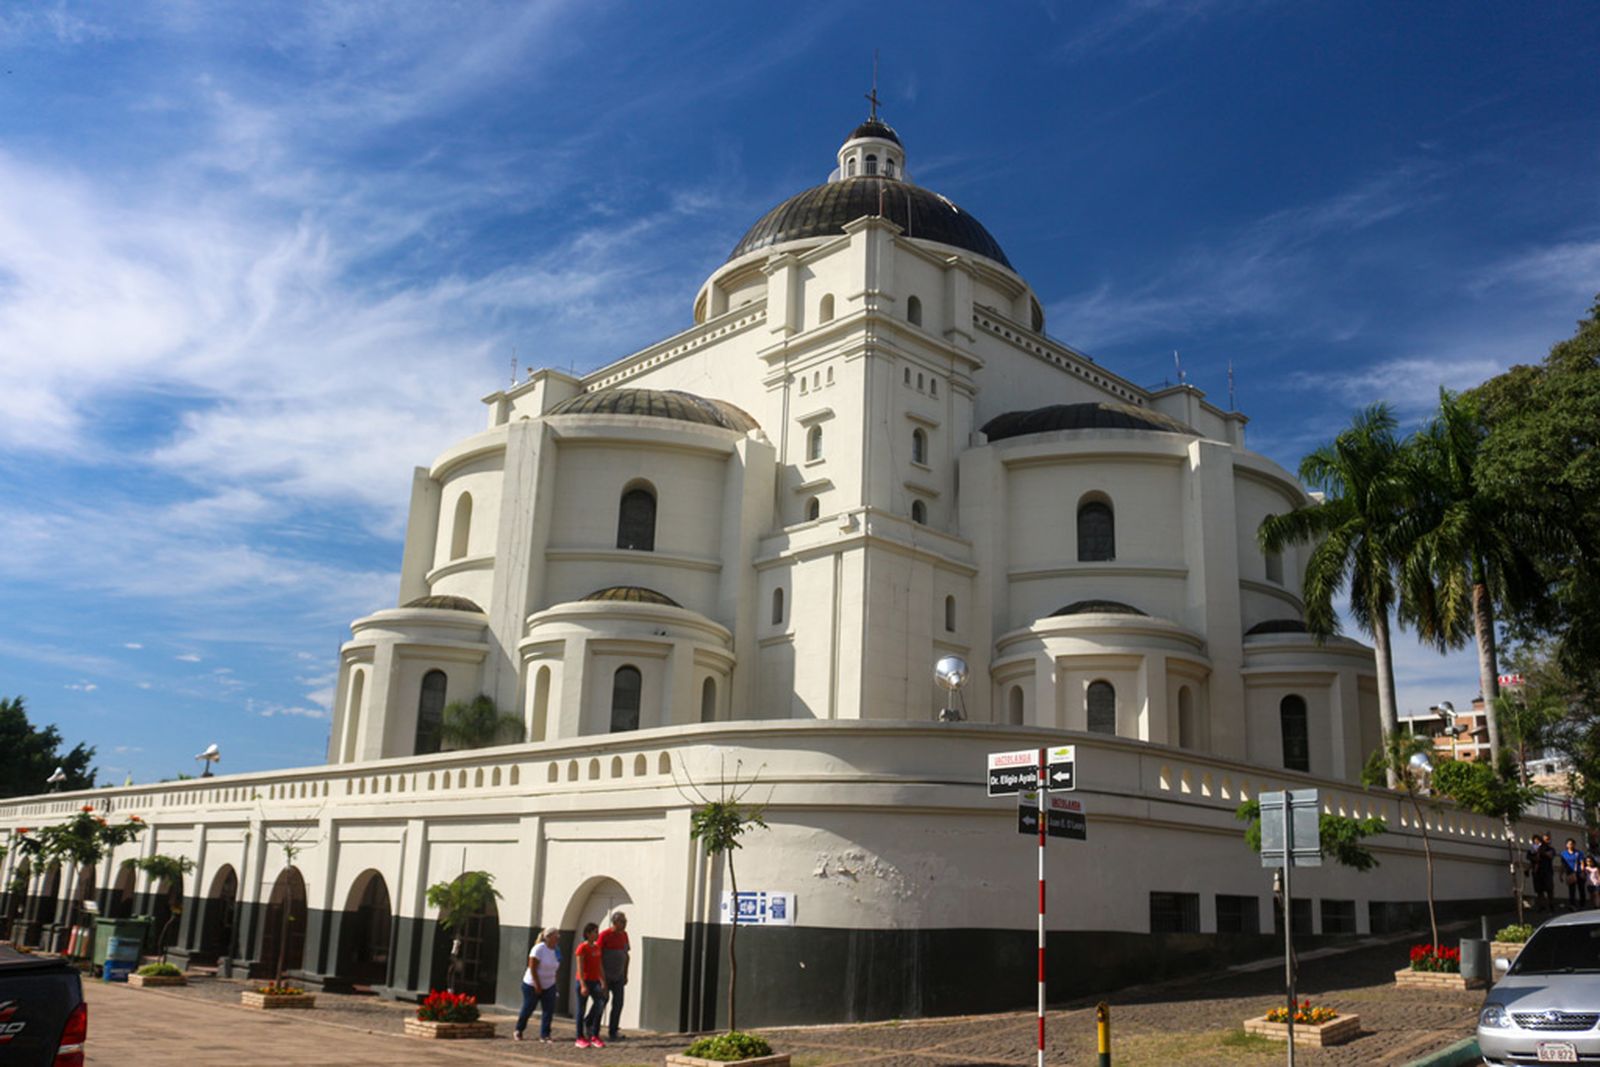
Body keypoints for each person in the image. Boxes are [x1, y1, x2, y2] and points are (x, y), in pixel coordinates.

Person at [515, 927, 561, 1042]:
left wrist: (555, 984)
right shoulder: (539, 949)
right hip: (532, 984)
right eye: (556, 936)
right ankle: (519, 1029)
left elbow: (556, 968)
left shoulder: (556, 950)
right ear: (548, 937)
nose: (557, 939)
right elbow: (533, 968)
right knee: (529, 1007)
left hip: (549, 984)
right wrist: (537, 984)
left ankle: (545, 1034)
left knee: (548, 1010)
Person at [597, 910, 631, 1042]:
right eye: (622, 922)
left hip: (619, 976)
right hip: (606, 975)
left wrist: (625, 973)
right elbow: (598, 957)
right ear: (615, 922)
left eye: (625, 921)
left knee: (618, 1003)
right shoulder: (604, 935)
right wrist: (602, 978)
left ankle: (613, 1030)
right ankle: (592, 1026)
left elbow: (626, 955)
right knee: (601, 1003)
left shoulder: (624, 935)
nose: (625, 924)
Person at [574, 921, 607, 1048]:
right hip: (584, 981)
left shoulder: (597, 948)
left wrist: (603, 981)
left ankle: (594, 1034)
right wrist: (582, 984)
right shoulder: (582, 948)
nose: (597, 934)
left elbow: (599, 966)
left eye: (597, 932)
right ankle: (579, 1037)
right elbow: (580, 967)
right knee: (581, 1009)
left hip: (595, 981)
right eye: (594, 932)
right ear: (588, 934)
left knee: (600, 1003)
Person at [1530, 832, 1556, 913]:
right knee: (1539, 891)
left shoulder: (1550, 849)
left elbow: (1550, 855)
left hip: (1547, 872)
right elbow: (1531, 858)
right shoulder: (1534, 849)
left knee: (1549, 890)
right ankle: (1542, 906)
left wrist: (1542, 852)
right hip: (1537, 872)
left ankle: (1551, 905)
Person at [1562, 837, 1587, 910]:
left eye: (1572, 844)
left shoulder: (1579, 853)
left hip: (1579, 873)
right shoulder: (1563, 854)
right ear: (1566, 845)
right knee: (1571, 890)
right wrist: (1561, 874)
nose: (1571, 845)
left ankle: (1582, 905)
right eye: (1569, 844)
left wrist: (1582, 872)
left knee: (1581, 889)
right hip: (1570, 873)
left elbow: (1582, 863)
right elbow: (1563, 865)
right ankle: (1572, 905)